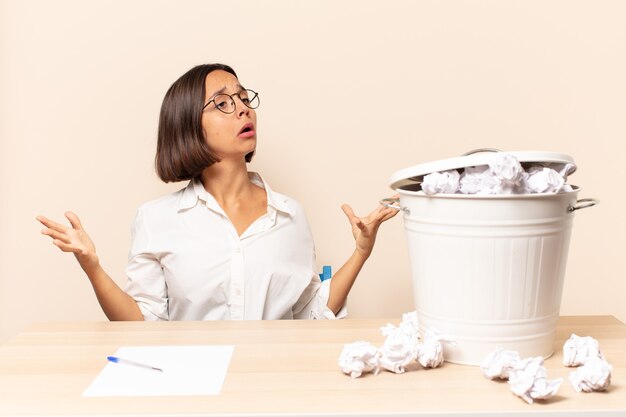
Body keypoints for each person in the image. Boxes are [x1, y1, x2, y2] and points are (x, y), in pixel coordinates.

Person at [37, 63, 397, 321]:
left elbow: (309, 313)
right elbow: (143, 324)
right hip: (192, 387)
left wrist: (361, 252)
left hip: (273, 386)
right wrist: (93, 266)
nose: (242, 108)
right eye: (223, 103)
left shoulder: (289, 214)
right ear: (189, 125)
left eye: (243, 98)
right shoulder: (156, 219)